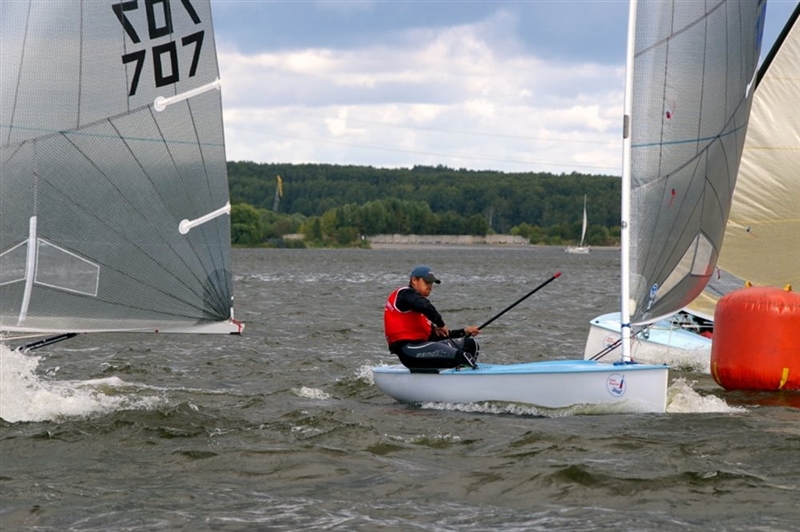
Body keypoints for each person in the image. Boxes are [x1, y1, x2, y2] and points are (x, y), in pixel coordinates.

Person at [383, 265, 481, 372]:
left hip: (423, 347)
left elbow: (440, 336)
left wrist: (464, 331)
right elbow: (425, 306)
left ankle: (460, 373)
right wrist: (440, 324)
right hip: (408, 350)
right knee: (461, 357)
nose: (430, 287)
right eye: (427, 282)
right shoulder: (405, 293)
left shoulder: (420, 314)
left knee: (470, 344)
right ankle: (467, 373)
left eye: (431, 284)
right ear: (414, 280)